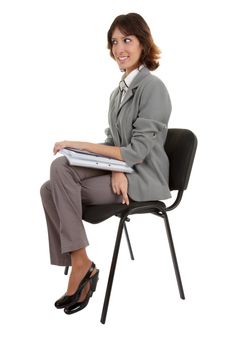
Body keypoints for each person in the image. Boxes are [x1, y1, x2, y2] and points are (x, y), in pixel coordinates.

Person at [40, 12, 172, 315]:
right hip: (124, 169)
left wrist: (80, 144)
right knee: (56, 175)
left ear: (143, 44)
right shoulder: (117, 93)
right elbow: (115, 144)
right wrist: (114, 166)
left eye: (127, 40)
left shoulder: (153, 88)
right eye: (114, 42)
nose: (119, 48)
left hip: (143, 177)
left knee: (53, 190)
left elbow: (136, 151)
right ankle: (80, 261)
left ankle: (80, 267)